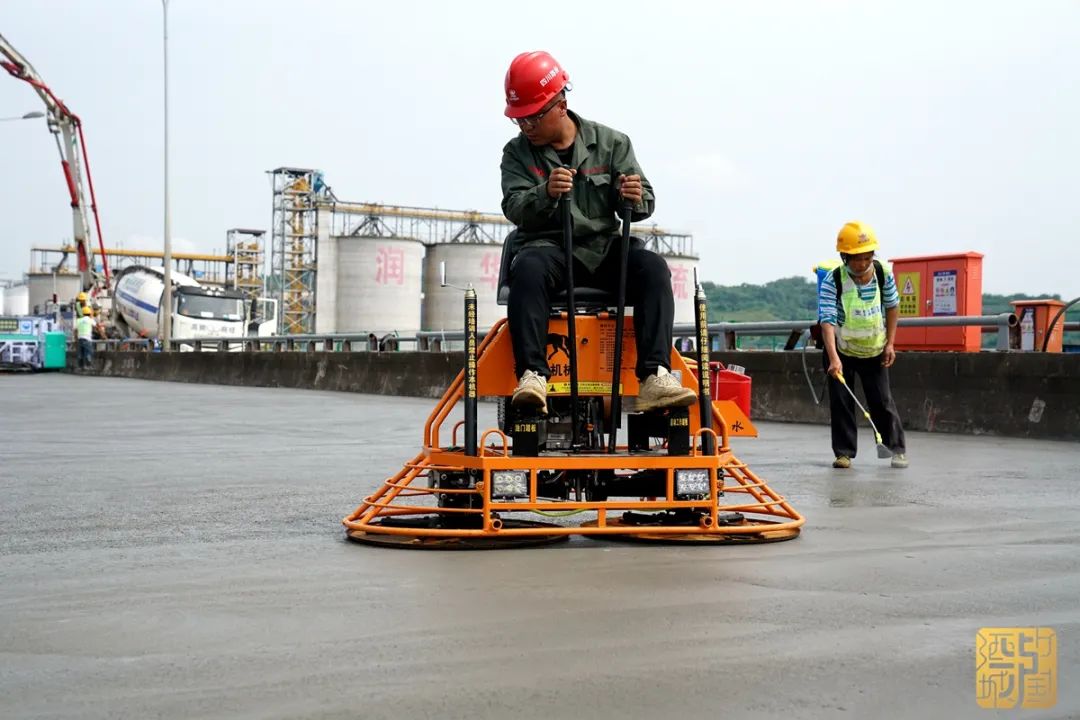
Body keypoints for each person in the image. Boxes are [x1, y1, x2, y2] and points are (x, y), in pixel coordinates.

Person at [500, 50, 696, 414]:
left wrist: (634, 197)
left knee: (652, 267)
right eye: (520, 119)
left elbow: (646, 200)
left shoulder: (612, 143)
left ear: (560, 104)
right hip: (549, 250)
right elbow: (514, 208)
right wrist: (545, 193)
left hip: (603, 249)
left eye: (532, 117)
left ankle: (654, 376)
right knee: (526, 268)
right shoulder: (516, 154)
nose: (526, 126)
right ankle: (532, 376)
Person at [818, 221, 908, 469]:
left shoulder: (882, 274)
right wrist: (833, 358)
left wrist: (890, 344)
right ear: (845, 256)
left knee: (882, 400)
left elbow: (892, 306)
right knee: (842, 403)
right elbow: (827, 320)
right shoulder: (833, 280)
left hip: (874, 349)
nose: (863, 263)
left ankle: (895, 448)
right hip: (841, 350)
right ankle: (844, 453)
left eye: (867, 257)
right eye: (857, 258)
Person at [75, 305, 95, 370]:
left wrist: (76, 339)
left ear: (82, 313)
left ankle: (81, 367)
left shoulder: (78, 320)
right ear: (89, 313)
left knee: (81, 353)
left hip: (80, 338)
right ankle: (88, 366)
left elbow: (75, 330)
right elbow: (96, 325)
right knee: (88, 352)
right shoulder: (90, 320)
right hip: (87, 338)